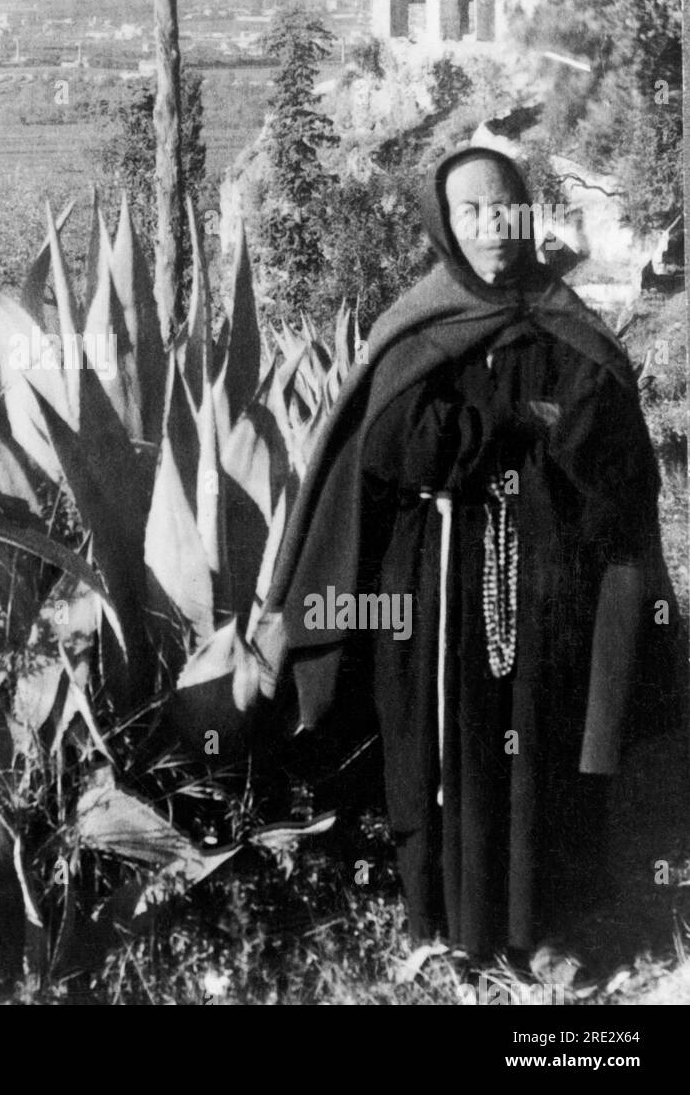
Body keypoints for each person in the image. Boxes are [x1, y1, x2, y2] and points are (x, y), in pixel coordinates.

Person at [256, 144, 688, 968]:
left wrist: (487, 426)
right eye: (471, 211)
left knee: (547, 748)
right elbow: (391, 443)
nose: (492, 226)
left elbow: (605, 447)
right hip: (436, 584)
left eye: (505, 207)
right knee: (443, 749)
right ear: (445, 227)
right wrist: (518, 419)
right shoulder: (417, 326)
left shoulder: (572, 323)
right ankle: (452, 931)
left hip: (553, 590)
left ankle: (547, 929)